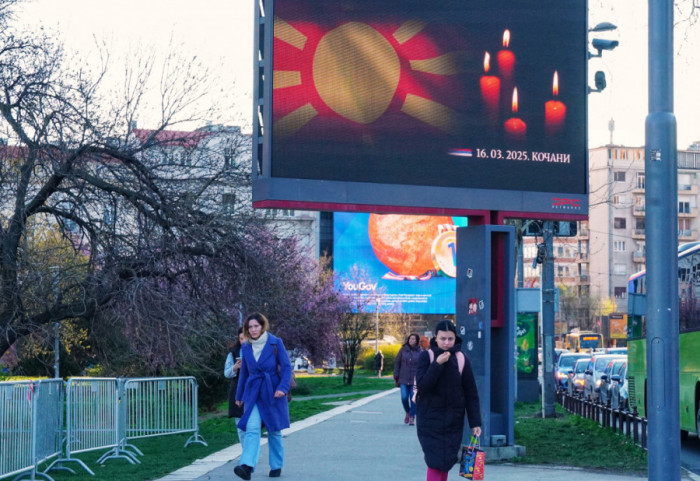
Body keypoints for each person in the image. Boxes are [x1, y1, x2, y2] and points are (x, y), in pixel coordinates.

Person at [415, 320, 482, 481]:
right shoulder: (427, 356)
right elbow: (423, 387)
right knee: (434, 461)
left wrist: (475, 423)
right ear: (435, 338)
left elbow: (470, 393)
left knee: (446, 462)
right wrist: (437, 364)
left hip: (453, 421)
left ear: (455, 338)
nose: (446, 343)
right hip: (430, 420)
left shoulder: (461, 358)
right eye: (443, 338)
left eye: (450, 339)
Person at [234, 313, 292, 480]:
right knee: (251, 429)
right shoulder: (246, 346)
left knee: (274, 430)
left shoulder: (275, 342)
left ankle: (276, 465)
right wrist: (239, 395)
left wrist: (283, 387)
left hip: (272, 391)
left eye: (256, 326)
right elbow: (244, 372)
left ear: (262, 326)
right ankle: (246, 466)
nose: (253, 330)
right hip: (253, 393)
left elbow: (287, 367)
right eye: (250, 327)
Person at [393, 333, 422, 425]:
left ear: (417, 341)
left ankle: (412, 417)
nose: (411, 340)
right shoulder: (403, 350)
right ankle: (408, 412)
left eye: (413, 339)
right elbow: (397, 362)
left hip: (415, 379)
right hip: (403, 378)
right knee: (404, 397)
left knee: (413, 399)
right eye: (410, 339)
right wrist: (396, 375)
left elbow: (422, 366)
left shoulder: (420, 351)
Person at [225, 327, 245, 445]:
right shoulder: (233, 353)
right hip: (238, 389)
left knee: (253, 424)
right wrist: (235, 367)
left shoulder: (258, 350)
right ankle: (246, 452)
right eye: (241, 338)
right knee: (240, 423)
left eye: (246, 338)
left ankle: (252, 452)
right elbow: (226, 373)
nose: (244, 341)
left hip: (254, 389)